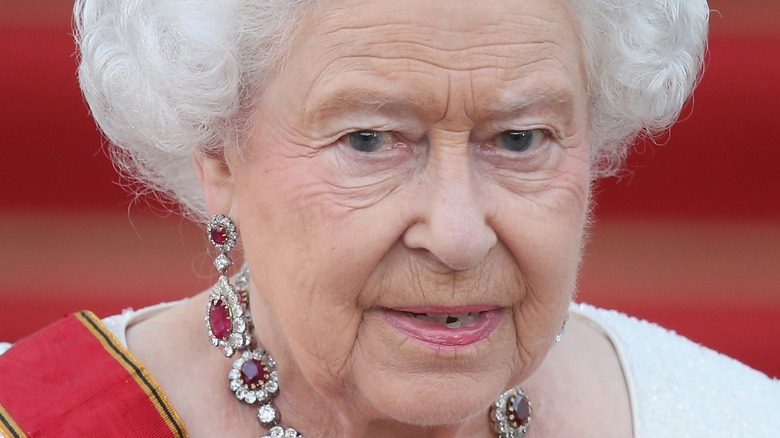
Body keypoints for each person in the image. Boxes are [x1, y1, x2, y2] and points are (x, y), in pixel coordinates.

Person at [1, 0, 777, 437]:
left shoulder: (729, 421)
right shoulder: (41, 422)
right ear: (220, 155)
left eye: (518, 138)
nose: (458, 232)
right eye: (369, 139)